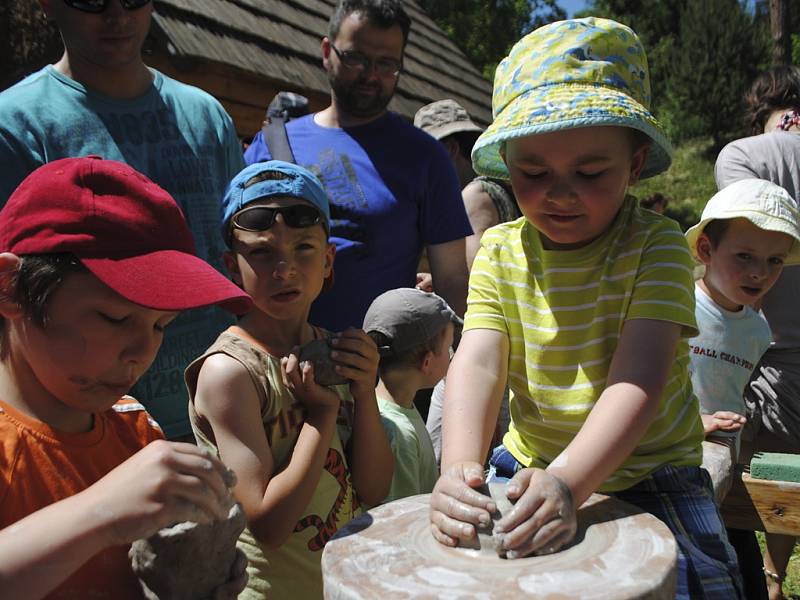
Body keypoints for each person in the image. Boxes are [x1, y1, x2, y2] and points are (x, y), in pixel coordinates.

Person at [429, 18, 743, 599]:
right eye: (534, 172)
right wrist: (458, 469)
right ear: (507, 165)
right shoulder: (500, 248)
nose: (560, 191)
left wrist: (571, 484)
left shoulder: (657, 246)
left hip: (650, 470)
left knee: (702, 587)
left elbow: (637, 381)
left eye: (591, 172)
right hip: (529, 463)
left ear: (636, 162)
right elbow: (476, 364)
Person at [0, 156, 252, 600]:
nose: (143, 352)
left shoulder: (136, 431)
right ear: (11, 289)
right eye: (114, 317)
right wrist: (99, 513)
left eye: (161, 325)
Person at [0, 0, 244, 441]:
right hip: (76, 432)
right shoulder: (14, 125)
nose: (117, 16)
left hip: (219, 414)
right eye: (92, 1)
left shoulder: (207, 117)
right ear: (48, 5)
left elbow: (237, 257)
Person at [185, 160, 394, 599]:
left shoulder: (332, 351)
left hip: (341, 581)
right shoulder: (231, 372)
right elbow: (268, 525)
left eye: (303, 248)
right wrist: (322, 413)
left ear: (328, 259)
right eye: (262, 253)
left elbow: (373, 489)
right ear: (230, 265)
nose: (285, 269)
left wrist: (366, 392)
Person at [243, 0, 472, 332]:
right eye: (356, 58)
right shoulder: (274, 143)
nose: (371, 75)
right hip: (275, 362)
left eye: (387, 64)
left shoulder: (425, 157)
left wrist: (455, 363)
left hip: (382, 371)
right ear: (326, 51)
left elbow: (452, 279)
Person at [715, 64, 800, 600]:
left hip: (763, 358)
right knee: (790, 485)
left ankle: (755, 579)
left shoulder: (743, 155)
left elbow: (748, 236)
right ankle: (773, 575)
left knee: (753, 484)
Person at [414, 99, 521, 461]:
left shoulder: (473, 195)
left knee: (445, 450)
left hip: (479, 340)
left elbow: (475, 276)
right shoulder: (505, 190)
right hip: (512, 337)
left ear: (448, 149)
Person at [685, 179, 800, 453]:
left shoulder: (759, 331)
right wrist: (691, 424)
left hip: (722, 454)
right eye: (745, 256)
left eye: (775, 260)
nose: (760, 272)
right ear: (705, 250)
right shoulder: (677, 308)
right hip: (667, 451)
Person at [362, 288, 460, 502]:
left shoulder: (383, 410)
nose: (451, 356)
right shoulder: (399, 436)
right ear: (427, 362)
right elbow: (401, 515)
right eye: (448, 348)